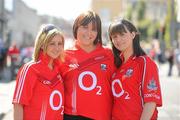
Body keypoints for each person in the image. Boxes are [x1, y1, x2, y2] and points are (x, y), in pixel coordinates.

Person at [62, 11, 115, 120]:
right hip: (72, 116)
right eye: (85, 27)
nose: (89, 32)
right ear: (76, 28)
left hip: (102, 116)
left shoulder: (109, 54)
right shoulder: (64, 55)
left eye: (94, 29)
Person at [108, 18, 162, 120]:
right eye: (114, 37)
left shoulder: (145, 63)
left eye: (122, 35)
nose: (118, 40)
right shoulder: (116, 65)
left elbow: (151, 101)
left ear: (133, 35)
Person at [12, 24, 65, 120]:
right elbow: (18, 104)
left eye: (59, 43)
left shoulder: (58, 70)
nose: (57, 48)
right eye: (52, 43)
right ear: (42, 44)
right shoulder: (30, 69)